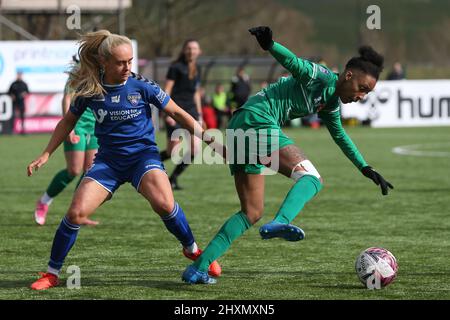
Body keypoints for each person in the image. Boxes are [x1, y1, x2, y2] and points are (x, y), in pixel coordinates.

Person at [182, 26, 394, 284]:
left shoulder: (330, 103)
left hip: (239, 126)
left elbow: (340, 136)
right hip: (258, 120)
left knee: (251, 212)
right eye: (362, 88)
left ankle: (198, 268)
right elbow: (294, 63)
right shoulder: (322, 77)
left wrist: (365, 167)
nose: (361, 96)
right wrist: (270, 45)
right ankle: (281, 221)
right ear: (348, 75)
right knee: (312, 178)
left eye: (367, 93)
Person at [26, 30, 221, 290]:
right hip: (108, 162)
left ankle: (193, 250)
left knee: (165, 203)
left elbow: (176, 112)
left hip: (143, 157)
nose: (127, 67)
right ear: (104, 62)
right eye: (120, 62)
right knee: (75, 213)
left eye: (130, 61)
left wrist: (208, 138)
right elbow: (67, 122)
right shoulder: (90, 89)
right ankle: (51, 273)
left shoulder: (142, 85)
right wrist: (46, 153)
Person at [33, 56, 99, 226]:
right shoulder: (78, 73)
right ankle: (44, 201)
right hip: (77, 125)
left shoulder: (103, 73)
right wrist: (70, 127)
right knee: (74, 170)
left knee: (90, 171)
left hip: (96, 127)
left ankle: (77, 212)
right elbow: (66, 99)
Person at [159, 39, 203, 190]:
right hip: (175, 111)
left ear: (199, 51)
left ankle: (173, 178)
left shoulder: (198, 68)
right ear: (184, 50)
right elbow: (167, 89)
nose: (191, 51)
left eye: (194, 48)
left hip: (191, 112)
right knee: (172, 152)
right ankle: (143, 165)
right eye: (189, 48)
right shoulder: (175, 67)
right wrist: (166, 113)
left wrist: (200, 114)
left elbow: (196, 93)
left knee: (195, 150)